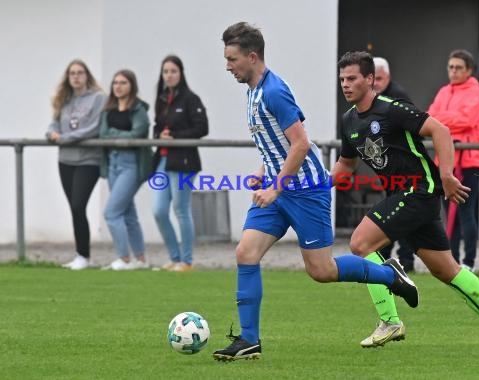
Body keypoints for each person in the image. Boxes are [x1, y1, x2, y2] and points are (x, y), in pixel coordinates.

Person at [213, 22, 418, 362]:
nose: (227, 66)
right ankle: (249, 340)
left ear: (252, 56)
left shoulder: (274, 91)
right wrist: (262, 173)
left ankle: (389, 274)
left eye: (232, 59)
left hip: (307, 191)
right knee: (245, 253)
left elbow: (301, 143)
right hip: (278, 190)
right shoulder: (252, 91)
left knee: (321, 271)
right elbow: (275, 144)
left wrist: (275, 188)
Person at [334, 51, 479, 350]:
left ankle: (390, 322)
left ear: (370, 80)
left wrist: (446, 174)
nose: (345, 84)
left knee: (360, 243)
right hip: (403, 195)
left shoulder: (392, 109)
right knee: (445, 269)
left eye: (352, 78)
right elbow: (345, 166)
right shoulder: (349, 120)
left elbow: (440, 130)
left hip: (418, 190)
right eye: (342, 79)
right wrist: (312, 186)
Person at [427, 49, 479, 272]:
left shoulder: (475, 91)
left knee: (465, 212)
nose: (453, 71)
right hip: (446, 161)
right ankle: (453, 260)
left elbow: (467, 119)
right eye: (450, 67)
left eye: (458, 67)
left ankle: (469, 262)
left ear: (469, 70)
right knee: (446, 210)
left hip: (470, 161)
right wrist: (445, 122)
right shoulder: (443, 92)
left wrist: (441, 122)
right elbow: (430, 117)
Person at [46, 59, 106, 270]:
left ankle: (84, 255)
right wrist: (51, 133)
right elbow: (54, 123)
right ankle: (80, 255)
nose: (76, 76)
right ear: (68, 77)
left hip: (88, 160)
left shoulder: (98, 98)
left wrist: (65, 137)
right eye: (72, 73)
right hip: (66, 160)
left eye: (80, 73)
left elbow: (94, 128)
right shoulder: (64, 100)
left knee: (78, 204)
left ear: (87, 76)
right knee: (75, 209)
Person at [152, 55, 209, 272]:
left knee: (181, 208)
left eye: (173, 71)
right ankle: (174, 257)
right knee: (158, 210)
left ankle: (186, 261)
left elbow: (202, 128)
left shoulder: (191, 99)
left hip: (184, 162)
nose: (169, 75)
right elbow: (156, 127)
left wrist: (175, 135)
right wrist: (161, 134)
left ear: (181, 73)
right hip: (162, 160)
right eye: (165, 71)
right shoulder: (161, 99)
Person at [99, 69, 152, 270]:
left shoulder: (138, 109)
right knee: (128, 213)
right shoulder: (108, 109)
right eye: (116, 83)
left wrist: (115, 136)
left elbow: (137, 133)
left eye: (123, 82)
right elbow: (103, 134)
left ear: (132, 85)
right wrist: (120, 136)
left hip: (131, 164)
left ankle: (124, 259)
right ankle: (140, 259)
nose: (118, 86)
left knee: (111, 212)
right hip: (112, 162)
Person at [372, 56, 416, 273]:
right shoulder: (374, 99)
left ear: (387, 77)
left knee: (398, 214)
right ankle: (389, 257)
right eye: (373, 79)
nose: (376, 83)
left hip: (405, 168)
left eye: (379, 78)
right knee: (393, 212)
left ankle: (403, 259)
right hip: (390, 168)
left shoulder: (398, 98)